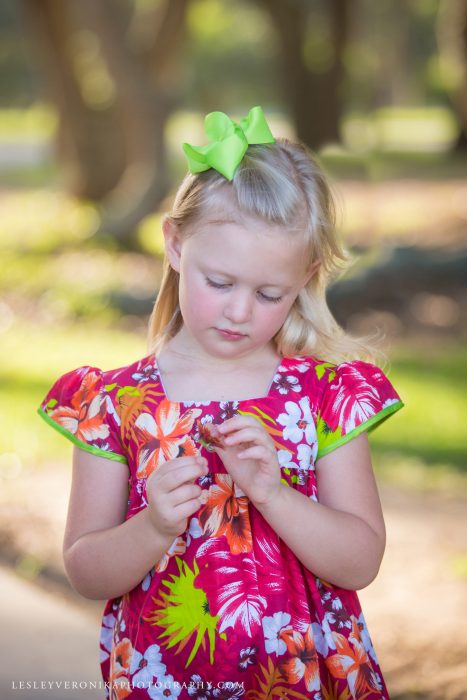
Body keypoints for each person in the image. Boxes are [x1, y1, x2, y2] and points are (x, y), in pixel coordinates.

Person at [38, 106, 403, 699]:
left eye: (269, 293)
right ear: (176, 245)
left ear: (306, 278)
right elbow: (85, 569)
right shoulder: (116, 404)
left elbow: (359, 562)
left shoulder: (324, 397)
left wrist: (272, 493)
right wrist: (154, 525)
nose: (239, 312)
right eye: (220, 283)